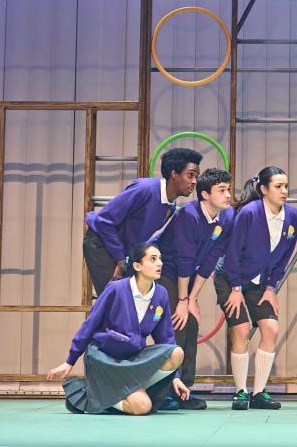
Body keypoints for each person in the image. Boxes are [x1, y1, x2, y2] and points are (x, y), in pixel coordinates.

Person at [47, 243, 191, 414]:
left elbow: (166, 338)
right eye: (153, 259)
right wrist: (70, 361)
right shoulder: (116, 289)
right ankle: (90, 395)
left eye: (160, 259)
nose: (159, 263)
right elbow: (90, 324)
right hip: (105, 359)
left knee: (176, 353)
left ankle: (106, 394)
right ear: (137, 266)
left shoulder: (161, 294)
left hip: (133, 360)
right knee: (142, 407)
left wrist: (174, 377)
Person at [215, 166, 297, 410]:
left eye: (286, 186)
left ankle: (259, 392)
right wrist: (235, 288)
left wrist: (271, 287)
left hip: (261, 283)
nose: (284, 191)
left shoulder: (292, 216)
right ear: (263, 190)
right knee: (241, 331)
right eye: (278, 186)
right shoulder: (250, 213)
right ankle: (241, 392)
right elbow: (231, 252)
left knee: (270, 329)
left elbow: (285, 255)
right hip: (231, 278)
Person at [154, 168, 234, 410]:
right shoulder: (188, 216)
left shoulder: (227, 217)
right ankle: (167, 390)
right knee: (178, 323)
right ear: (205, 195)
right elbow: (183, 260)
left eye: (228, 189)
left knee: (192, 324)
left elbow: (212, 258)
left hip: (186, 277)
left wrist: (193, 299)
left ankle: (184, 389)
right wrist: (182, 300)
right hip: (165, 272)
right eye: (222, 190)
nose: (228, 195)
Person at [84, 147, 202, 294]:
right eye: (190, 175)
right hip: (100, 242)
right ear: (174, 174)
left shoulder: (170, 207)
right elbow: (103, 221)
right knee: (116, 299)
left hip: (121, 252)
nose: (194, 181)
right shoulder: (145, 189)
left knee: (128, 300)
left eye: (196, 176)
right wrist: (120, 260)